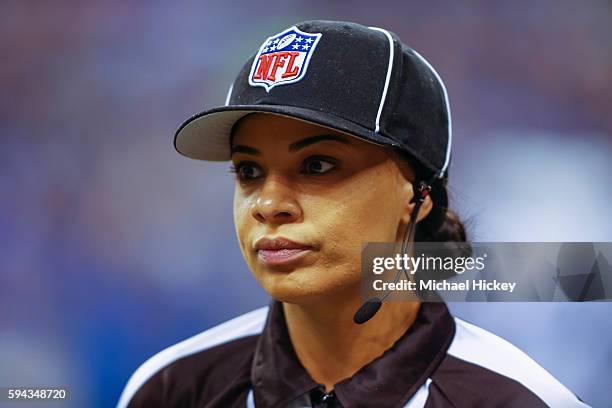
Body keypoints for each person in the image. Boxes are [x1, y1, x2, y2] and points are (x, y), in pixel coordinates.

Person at [117, 20, 588, 407]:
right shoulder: (171, 389)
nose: (267, 204)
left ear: (418, 196)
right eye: (249, 170)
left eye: (317, 165)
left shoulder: (518, 400)